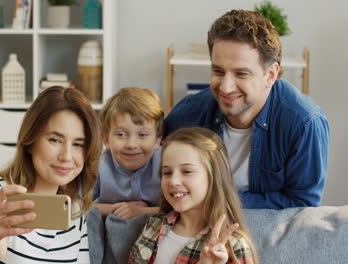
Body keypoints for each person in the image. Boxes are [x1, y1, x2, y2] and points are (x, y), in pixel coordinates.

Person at [164, 9, 329, 209]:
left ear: (270, 75)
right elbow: (156, 178)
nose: (226, 87)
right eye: (218, 71)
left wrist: (218, 201)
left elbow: (303, 204)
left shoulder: (304, 122)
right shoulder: (187, 115)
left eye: (241, 74)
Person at [0, 87, 101, 263]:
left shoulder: (74, 212)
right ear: (30, 141)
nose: (66, 156)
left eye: (78, 144)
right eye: (54, 140)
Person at [129, 127, 258, 264]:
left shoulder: (233, 246)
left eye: (187, 171)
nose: (173, 181)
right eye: (167, 172)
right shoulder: (154, 225)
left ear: (214, 177)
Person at [92, 87, 163, 219]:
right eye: (121, 134)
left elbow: (179, 209)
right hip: (109, 228)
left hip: (155, 230)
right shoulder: (98, 166)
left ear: (157, 140)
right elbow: (75, 205)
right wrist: (113, 209)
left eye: (142, 134)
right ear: (106, 140)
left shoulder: (166, 164)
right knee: (92, 217)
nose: (131, 145)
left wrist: (140, 212)